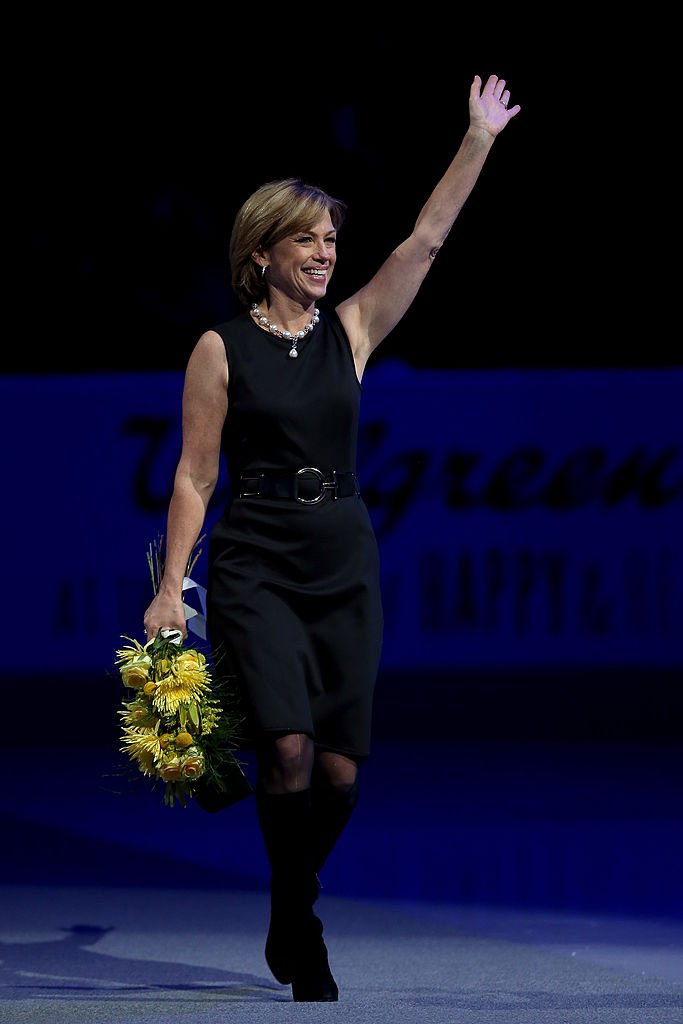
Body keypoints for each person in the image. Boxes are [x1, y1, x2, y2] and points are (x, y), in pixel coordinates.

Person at [143, 72, 520, 1002]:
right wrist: (168, 589)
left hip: (343, 554)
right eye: (305, 239)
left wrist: (477, 138)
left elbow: (425, 242)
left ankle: (289, 897)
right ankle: (296, 923)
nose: (325, 251)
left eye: (330, 238)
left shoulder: (349, 329)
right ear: (260, 254)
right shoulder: (219, 347)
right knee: (287, 750)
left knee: (342, 772)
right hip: (256, 556)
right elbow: (195, 475)